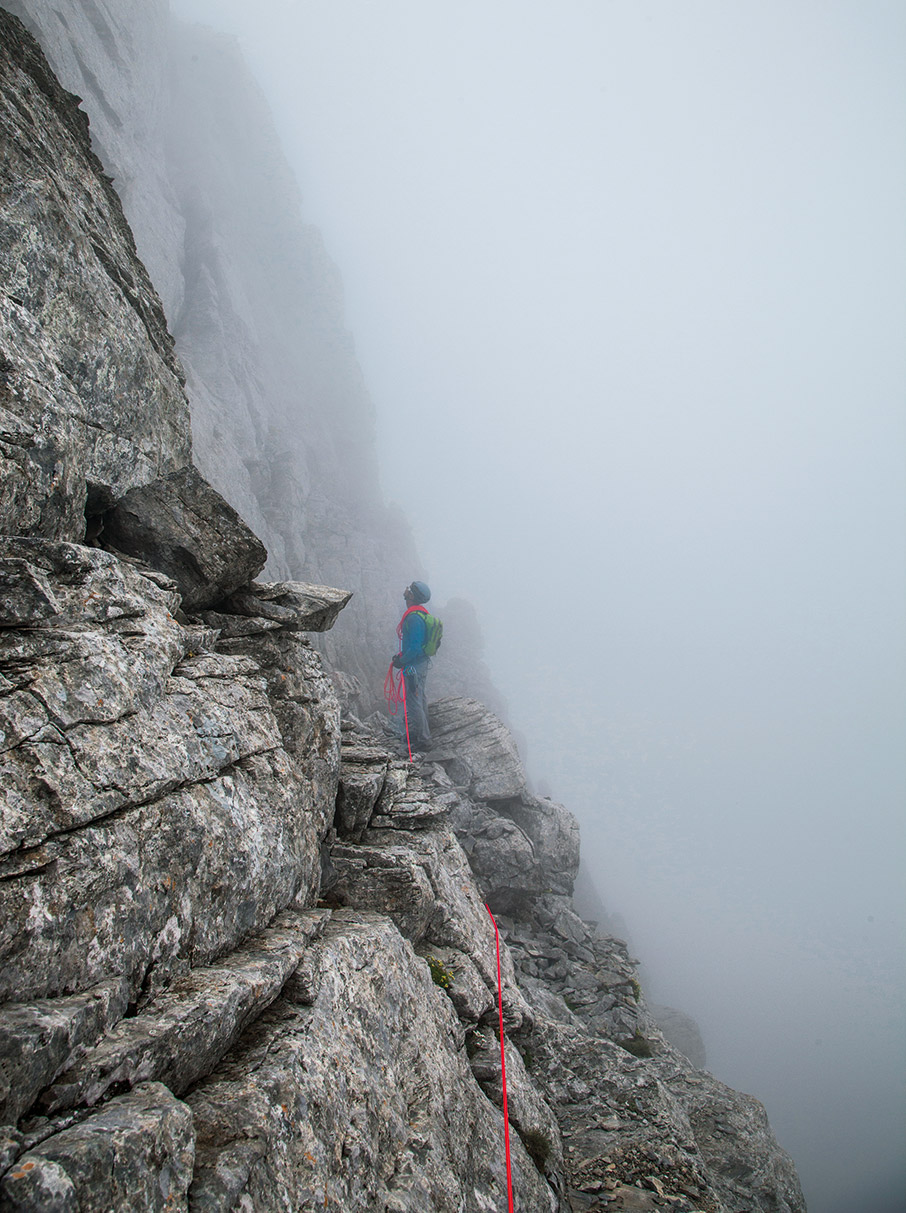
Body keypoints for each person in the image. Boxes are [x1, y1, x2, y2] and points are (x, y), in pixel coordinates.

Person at [391, 580, 433, 754]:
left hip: (413, 666)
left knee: (413, 700)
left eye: (409, 590)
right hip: (419, 664)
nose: (406, 591)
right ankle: (422, 735)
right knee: (419, 697)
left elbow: (414, 647)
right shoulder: (420, 614)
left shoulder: (414, 618)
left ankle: (422, 740)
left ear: (413, 596)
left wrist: (402, 661)